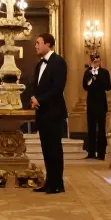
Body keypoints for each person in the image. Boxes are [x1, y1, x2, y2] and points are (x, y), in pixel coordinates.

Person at [26, 33, 68, 194]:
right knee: (46, 148)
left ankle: (57, 183)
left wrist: (40, 100)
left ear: (48, 44)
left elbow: (58, 88)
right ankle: (49, 181)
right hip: (42, 113)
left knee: (54, 149)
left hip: (54, 112)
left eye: (38, 43)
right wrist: (32, 97)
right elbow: (35, 85)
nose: (35, 46)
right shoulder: (39, 65)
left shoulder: (58, 62)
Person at [82, 54, 111, 160]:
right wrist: (92, 77)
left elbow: (108, 86)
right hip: (91, 102)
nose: (96, 63)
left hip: (101, 103)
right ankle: (91, 152)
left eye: (98, 61)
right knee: (91, 128)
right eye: (94, 61)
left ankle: (101, 153)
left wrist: (98, 77)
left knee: (102, 129)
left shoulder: (104, 72)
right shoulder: (88, 72)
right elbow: (85, 86)